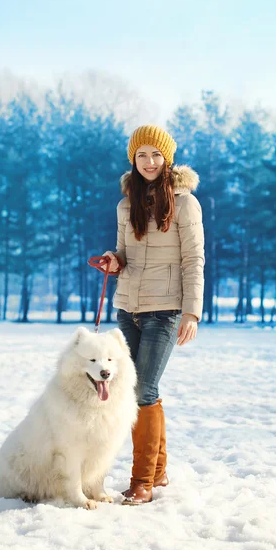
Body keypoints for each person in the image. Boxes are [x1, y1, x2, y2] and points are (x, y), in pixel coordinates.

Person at [102, 124, 204, 505]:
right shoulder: (125, 203)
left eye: (156, 155)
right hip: (128, 308)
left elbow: (194, 259)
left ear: (167, 159)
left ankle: (141, 480)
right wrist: (114, 262)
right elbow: (122, 252)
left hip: (166, 310)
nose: (149, 162)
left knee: (142, 389)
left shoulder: (185, 203)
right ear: (133, 158)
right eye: (141, 155)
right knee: (141, 389)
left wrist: (191, 313)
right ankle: (158, 473)